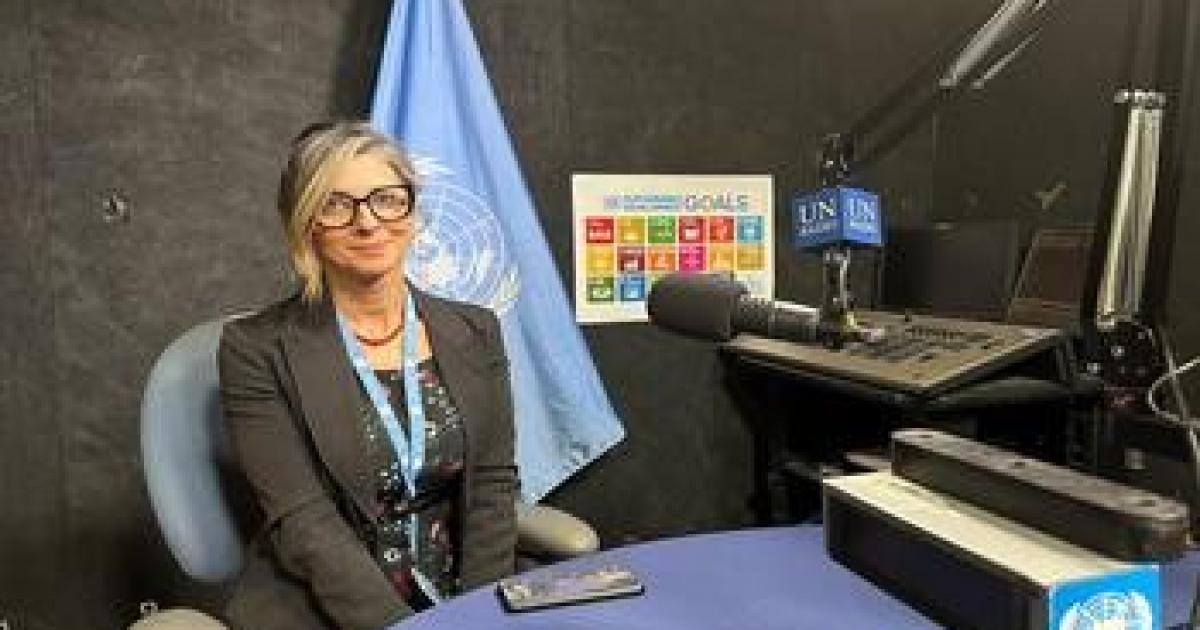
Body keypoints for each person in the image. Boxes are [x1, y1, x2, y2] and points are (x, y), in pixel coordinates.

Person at [218, 121, 518, 630]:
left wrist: (476, 617)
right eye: (338, 205)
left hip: (458, 594)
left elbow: (491, 487)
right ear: (306, 223)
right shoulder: (254, 350)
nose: (368, 222)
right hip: (325, 605)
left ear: (411, 210)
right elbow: (304, 521)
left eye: (387, 199)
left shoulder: (477, 330)